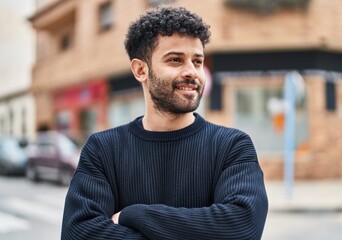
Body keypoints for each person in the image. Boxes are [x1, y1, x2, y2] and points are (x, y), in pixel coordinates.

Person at [61, 6, 268, 240]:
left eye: (197, 61)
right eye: (175, 60)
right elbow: (78, 233)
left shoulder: (232, 146)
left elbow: (241, 227)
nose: (192, 72)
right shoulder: (103, 149)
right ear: (141, 70)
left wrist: (134, 214)